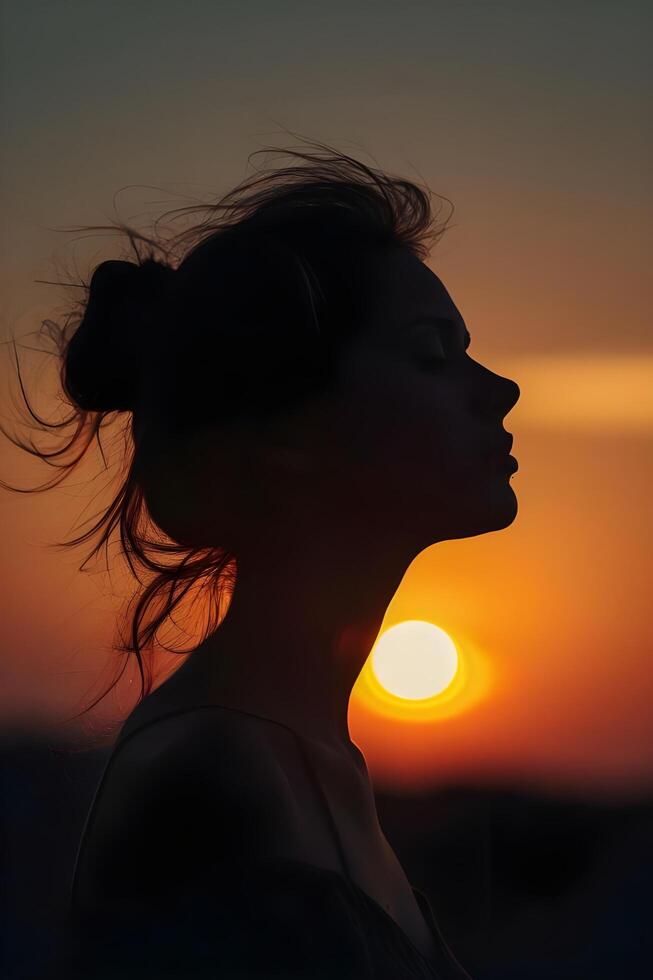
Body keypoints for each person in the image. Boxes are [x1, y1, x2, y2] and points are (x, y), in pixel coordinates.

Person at [6, 139, 519, 978]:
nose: (499, 388)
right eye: (433, 353)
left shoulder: (305, 756)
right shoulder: (210, 783)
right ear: (285, 433)